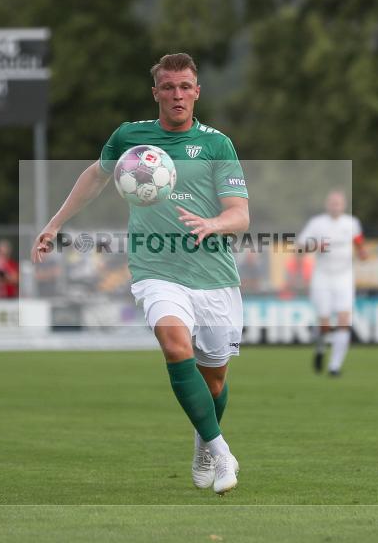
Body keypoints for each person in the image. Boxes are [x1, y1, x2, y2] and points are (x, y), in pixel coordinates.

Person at [32, 53, 248, 495]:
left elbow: (241, 214)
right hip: (155, 268)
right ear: (156, 93)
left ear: (197, 92)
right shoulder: (130, 139)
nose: (177, 95)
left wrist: (213, 225)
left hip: (214, 275)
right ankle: (222, 450)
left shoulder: (216, 145)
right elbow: (95, 177)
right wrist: (55, 224)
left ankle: (204, 441)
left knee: (215, 379)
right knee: (174, 344)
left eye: (185, 86)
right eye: (168, 87)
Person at [297, 189, 368, 377]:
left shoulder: (352, 223)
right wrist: (315, 246)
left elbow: (359, 243)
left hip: (344, 277)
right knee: (325, 324)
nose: (335, 206)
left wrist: (362, 253)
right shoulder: (317, 223)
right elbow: (300, 247)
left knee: (344, 320)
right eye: (332, 202)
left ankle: (334, 367)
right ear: (327, 204)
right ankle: (320, 349)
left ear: (343, 205)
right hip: (322, 276)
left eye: (338, 203)